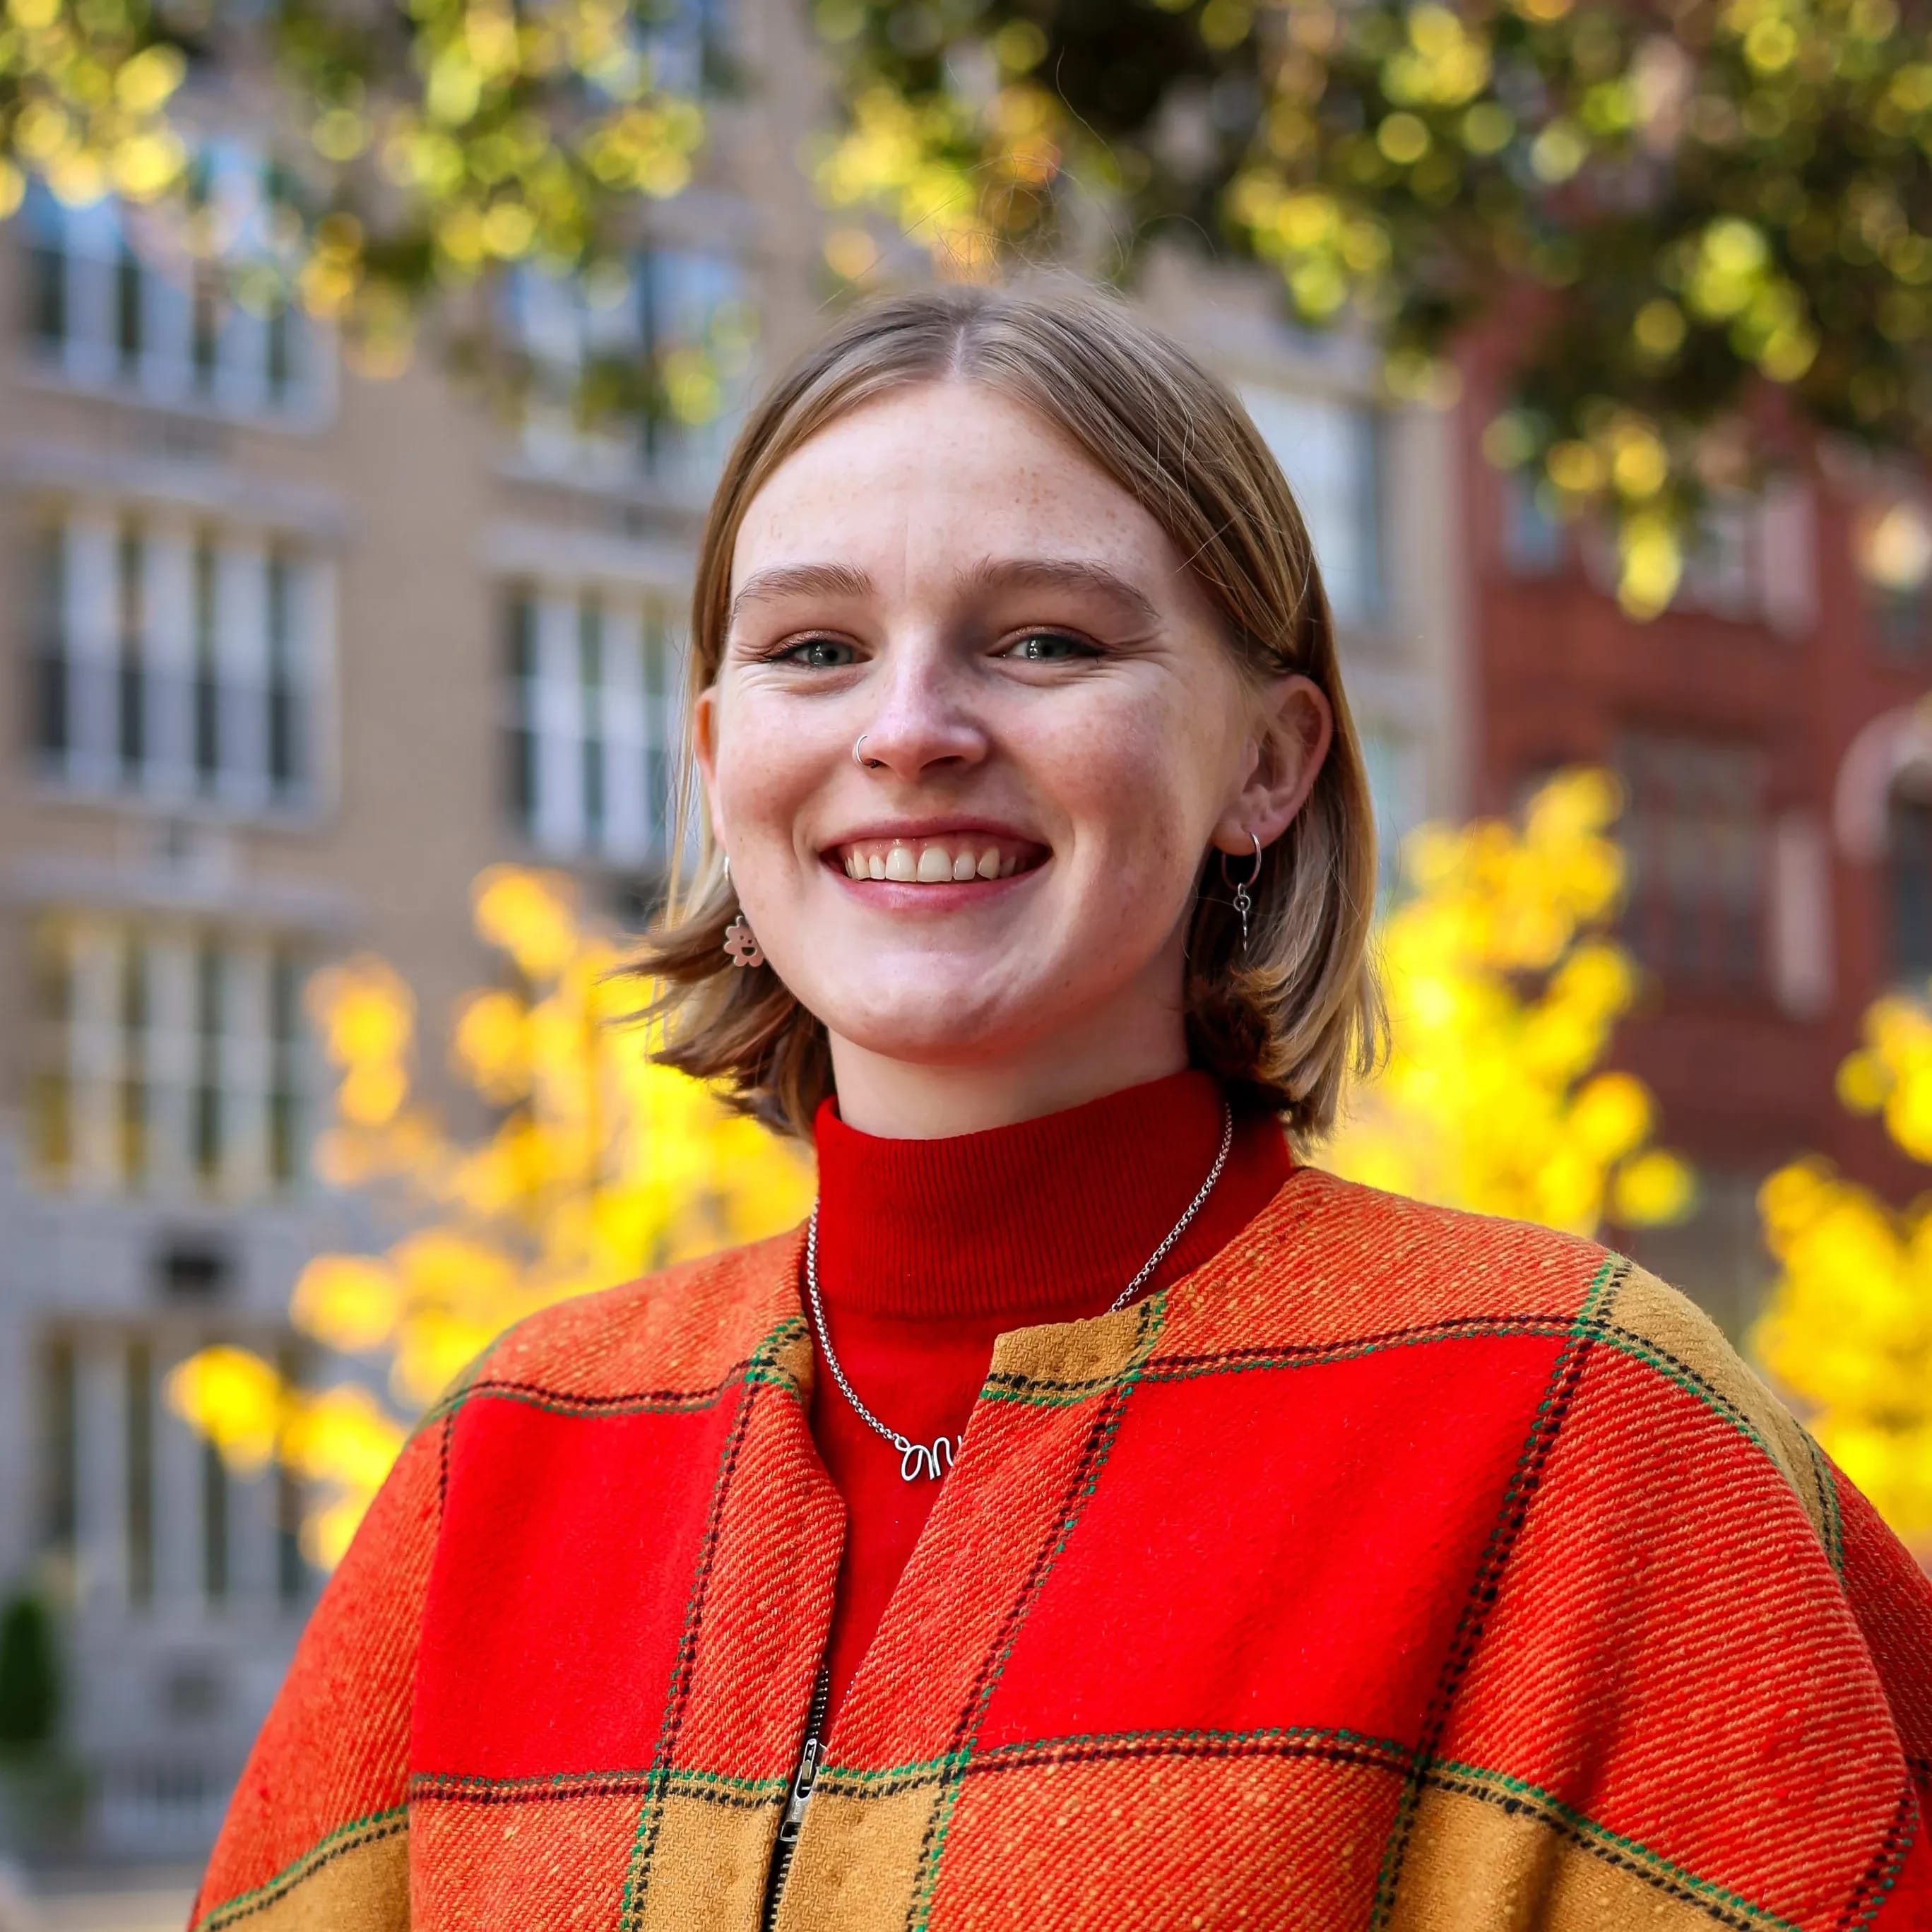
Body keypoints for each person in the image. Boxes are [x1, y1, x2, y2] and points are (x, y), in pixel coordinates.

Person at [191, 283, 1931, 1932]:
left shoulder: (1581, 1432)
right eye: (814, 647)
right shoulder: (510, 1463)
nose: (913, 728)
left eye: (1043, 639)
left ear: (1270, 761)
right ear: (718, 765)